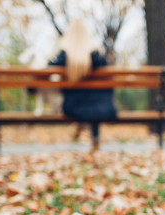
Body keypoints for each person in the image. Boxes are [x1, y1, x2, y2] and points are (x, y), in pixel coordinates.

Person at [49, 19, 117, 151]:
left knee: (87, 102)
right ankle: (95, 139)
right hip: (101, 107)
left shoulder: (64, 54)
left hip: (73, 107)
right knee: (94, 100)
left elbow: (47, 71)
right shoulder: (97, 54)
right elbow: (108, 79)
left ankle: (78, 134)